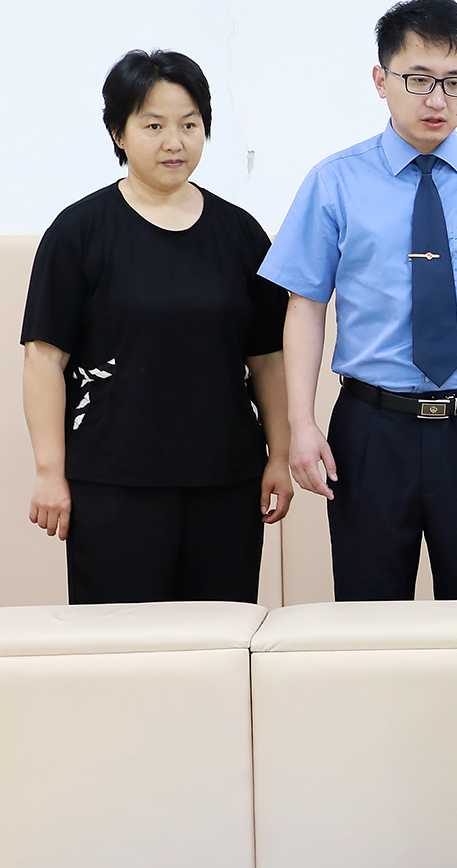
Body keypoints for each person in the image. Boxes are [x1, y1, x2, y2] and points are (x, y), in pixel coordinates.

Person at [262, 0, 457, 600]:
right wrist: (300, 423)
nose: (437, 100)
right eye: (419, 80)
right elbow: (305, 307)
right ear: (381, 80)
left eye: (455, 82)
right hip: (370, 429)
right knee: (368, 611)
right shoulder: (335, 181)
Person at [21, 49, 291, 604]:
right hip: (112, 483)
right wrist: (50, 471)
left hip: (226, 481)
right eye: (154, 126)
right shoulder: (78, 232)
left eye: (189, 125)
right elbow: (44, 359)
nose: (175, 142)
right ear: (118, 133)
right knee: (122, 644)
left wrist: (280, 456)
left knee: (219, 640)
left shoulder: (241, 234)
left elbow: (268, 358)